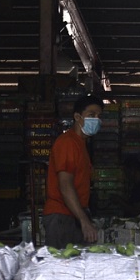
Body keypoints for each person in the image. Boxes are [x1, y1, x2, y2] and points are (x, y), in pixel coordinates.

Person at [42, 94, 103, 248]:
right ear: (77, 117)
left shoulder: (81, 145)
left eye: (99, 116)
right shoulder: (68, 143)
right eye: (91, 115)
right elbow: (65, 185)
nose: (96, 119)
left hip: (73, 215)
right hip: (62, 216)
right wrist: (84, 220)